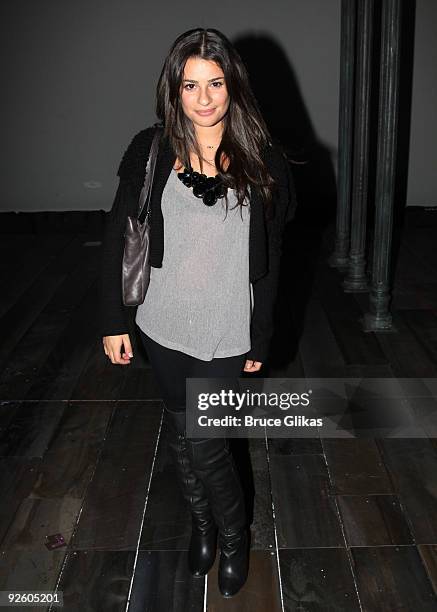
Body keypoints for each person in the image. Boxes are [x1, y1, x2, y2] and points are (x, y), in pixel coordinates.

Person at [100, 27, 297, 598]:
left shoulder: (266, 160)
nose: (204, 97)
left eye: (215, 83)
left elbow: (274, 257)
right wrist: (114, 320)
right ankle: (202, 523)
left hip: (227, 327)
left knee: (206, 439)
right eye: (191, 85)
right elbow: (117, 236)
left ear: (233, 86)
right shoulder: (151, 149)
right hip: (162, 323)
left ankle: (233, 536)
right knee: (184, 431)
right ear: (174, 90)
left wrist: (261, 339)